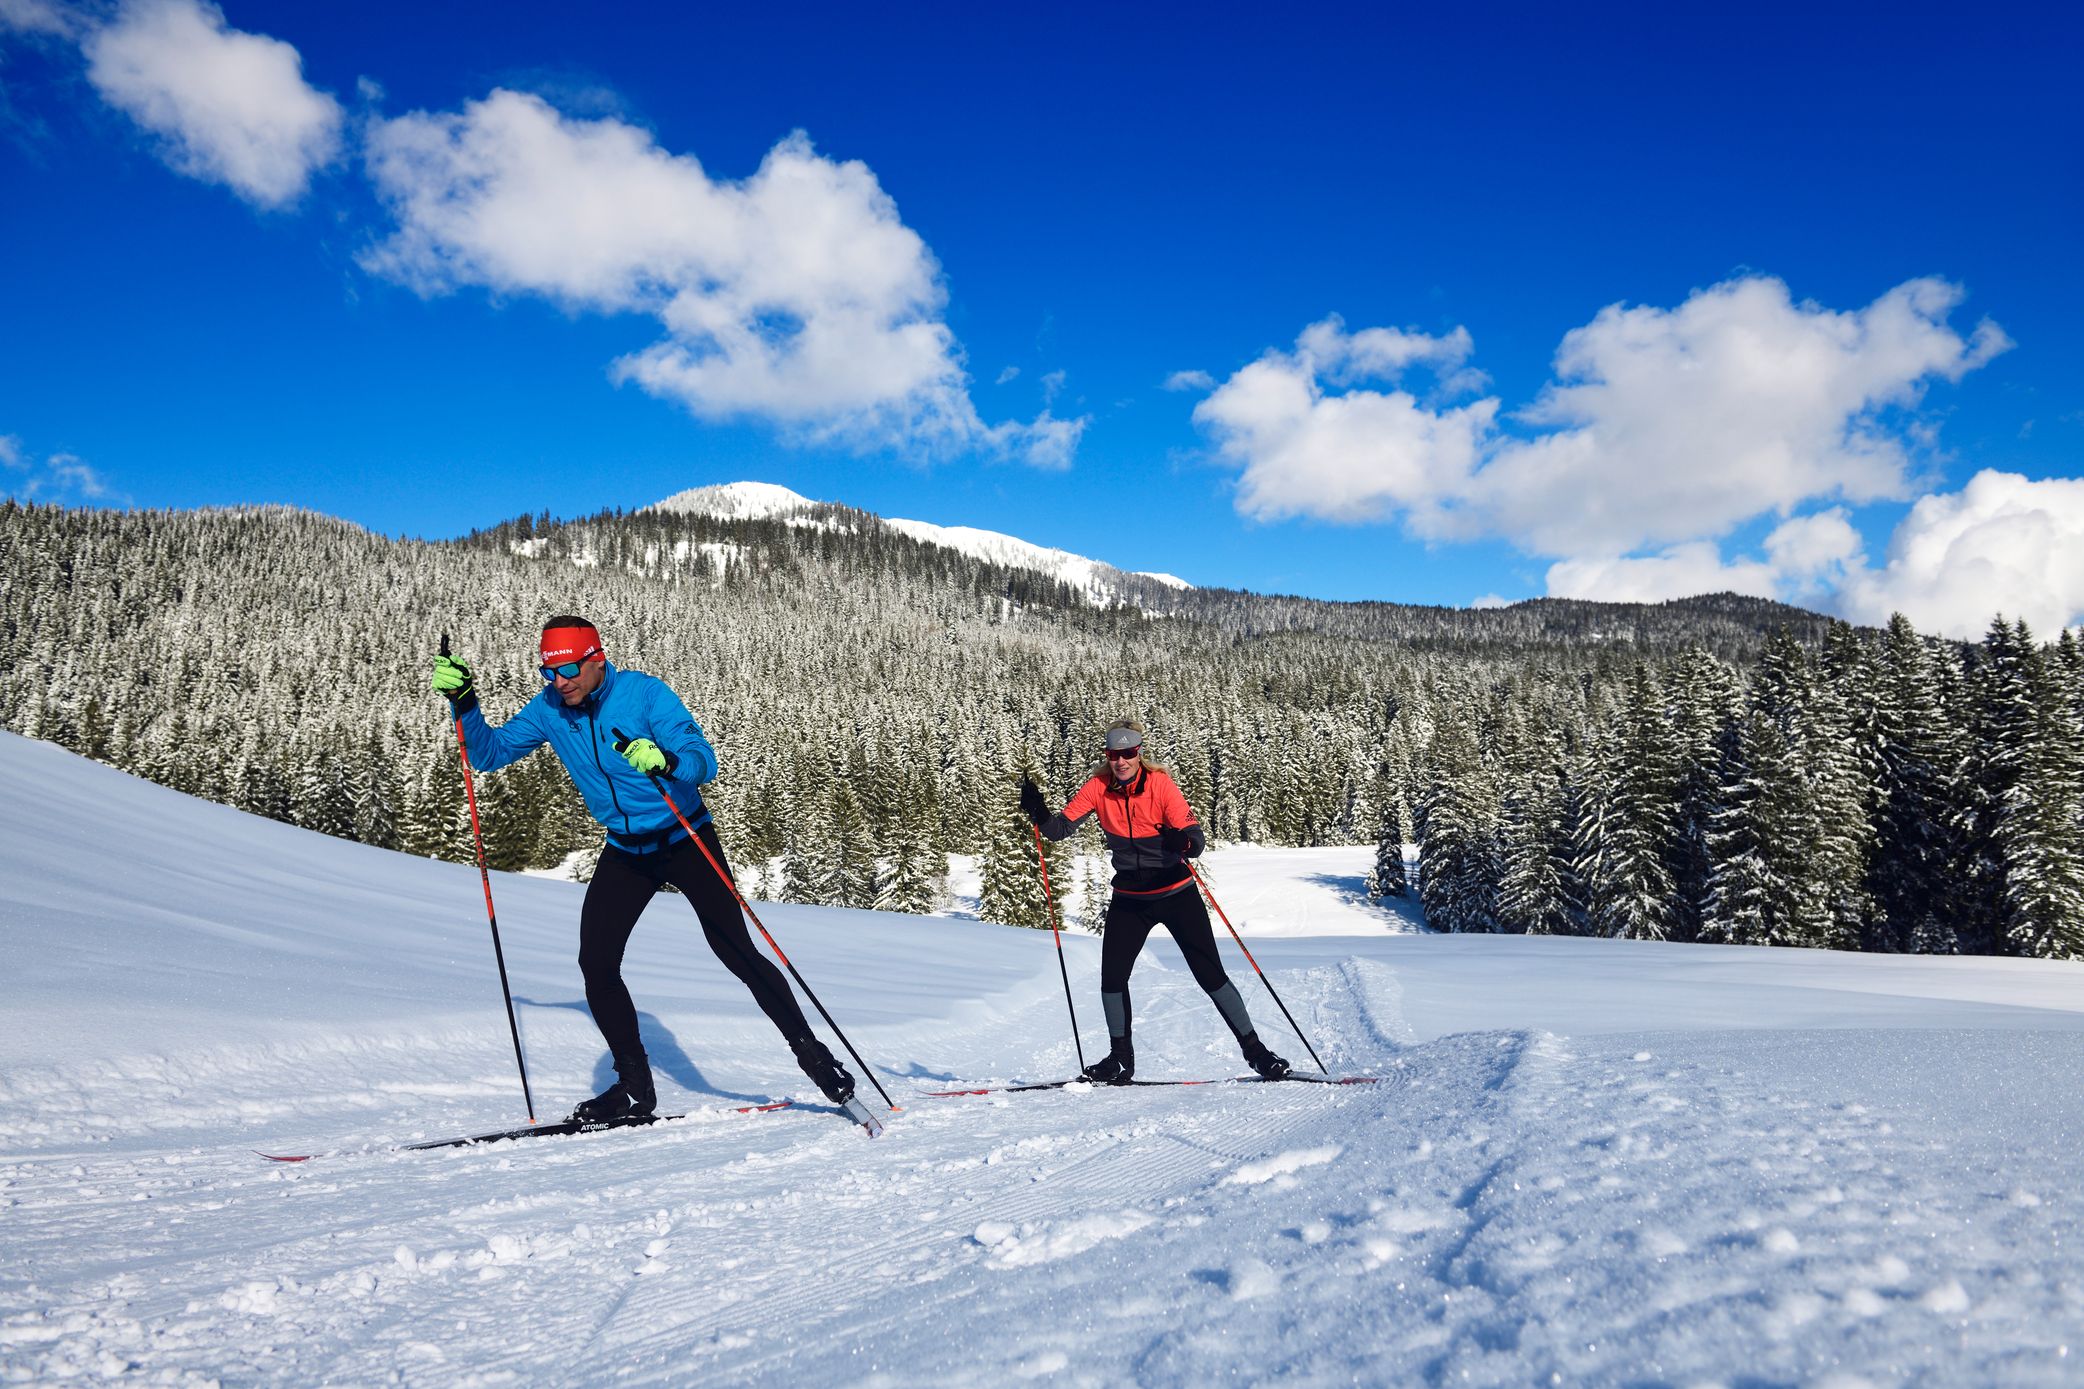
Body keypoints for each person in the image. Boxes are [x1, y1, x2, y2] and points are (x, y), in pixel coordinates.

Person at [432, 616, 854, 1120]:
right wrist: (466, 704)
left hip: (685, 837)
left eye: (567, 670)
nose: (558, 683)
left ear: (595, 659)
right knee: (597, 963)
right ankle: (634, 1088)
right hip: (627, 850)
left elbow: (704, 760)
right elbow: (488, 754)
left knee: (736, 951)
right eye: (549, 673)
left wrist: (667, 761)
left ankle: (815, 1058)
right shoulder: (549, 710)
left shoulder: (646, 695)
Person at [1021, 719, 1290, 1084]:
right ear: (1108, 756)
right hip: (1130, 899)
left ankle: (1258, 1053)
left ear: (1139, 753)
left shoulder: (1160, 785)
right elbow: (1058, 831)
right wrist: (1038, 811)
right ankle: (1120, 1061)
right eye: (1114, 754)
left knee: (1209, 974)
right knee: (1112, 979)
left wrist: (1182, 842)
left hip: (1176, 894)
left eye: (1128, 753)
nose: (1121, 761)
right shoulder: (1098, 787)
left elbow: (1196, 839)